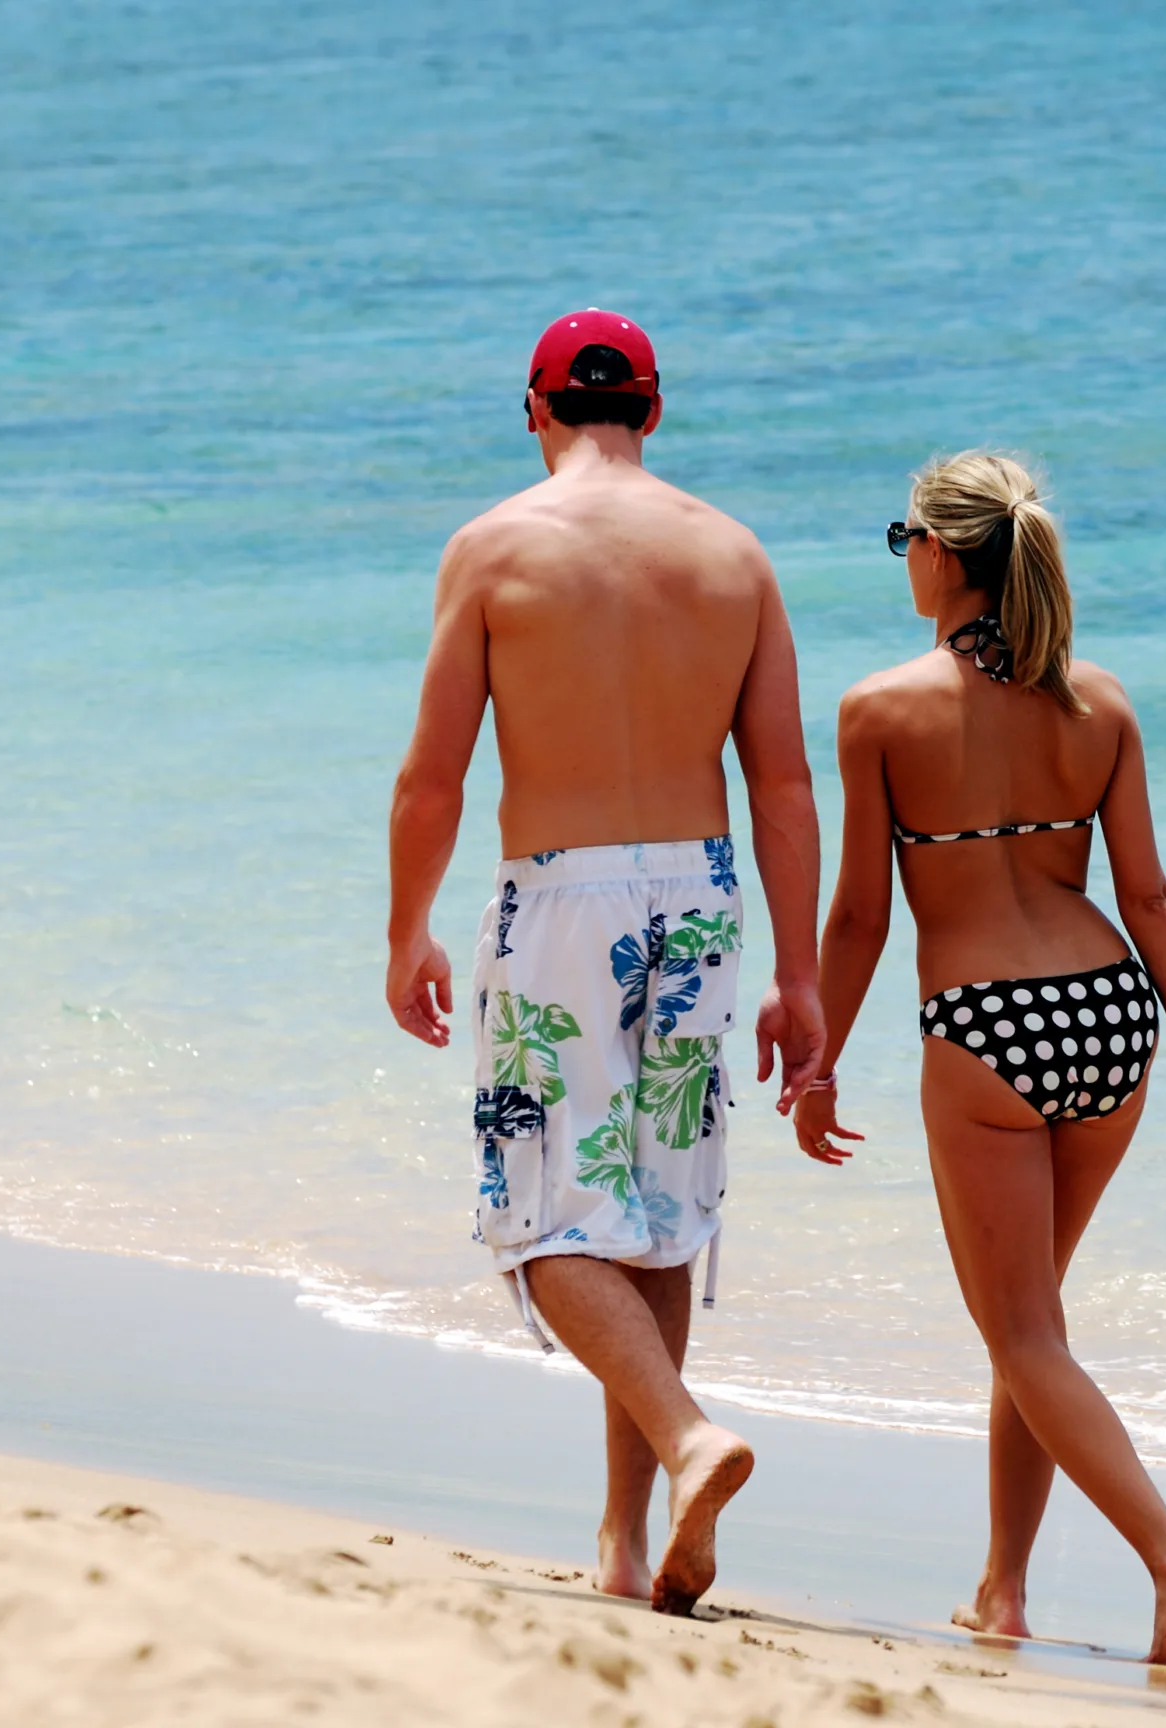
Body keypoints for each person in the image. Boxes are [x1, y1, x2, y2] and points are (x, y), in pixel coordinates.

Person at [383, 309, 825, 1615]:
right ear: (654, 409)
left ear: (534, 409)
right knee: (659, 1212)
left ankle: (687, 1441)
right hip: (699, 893)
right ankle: (631, 1546)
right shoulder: (733, 554)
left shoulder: (495, 547)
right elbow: (785, 787)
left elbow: (434, 776)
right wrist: (799, 976)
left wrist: (405, 927)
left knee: (542, 1213)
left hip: (559, 897)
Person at [792, 451, 1166, 1668]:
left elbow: (860, 920)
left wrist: (815, 1059)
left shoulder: (878, 710)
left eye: (906, 539)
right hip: (1110, 1017)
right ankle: (1001, 1590)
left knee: (1024, 1334)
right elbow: (1145, 896)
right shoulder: (1098, 705)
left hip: (989, 1028)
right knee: (1029, 1324)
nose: (906, 560)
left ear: (942, 556)